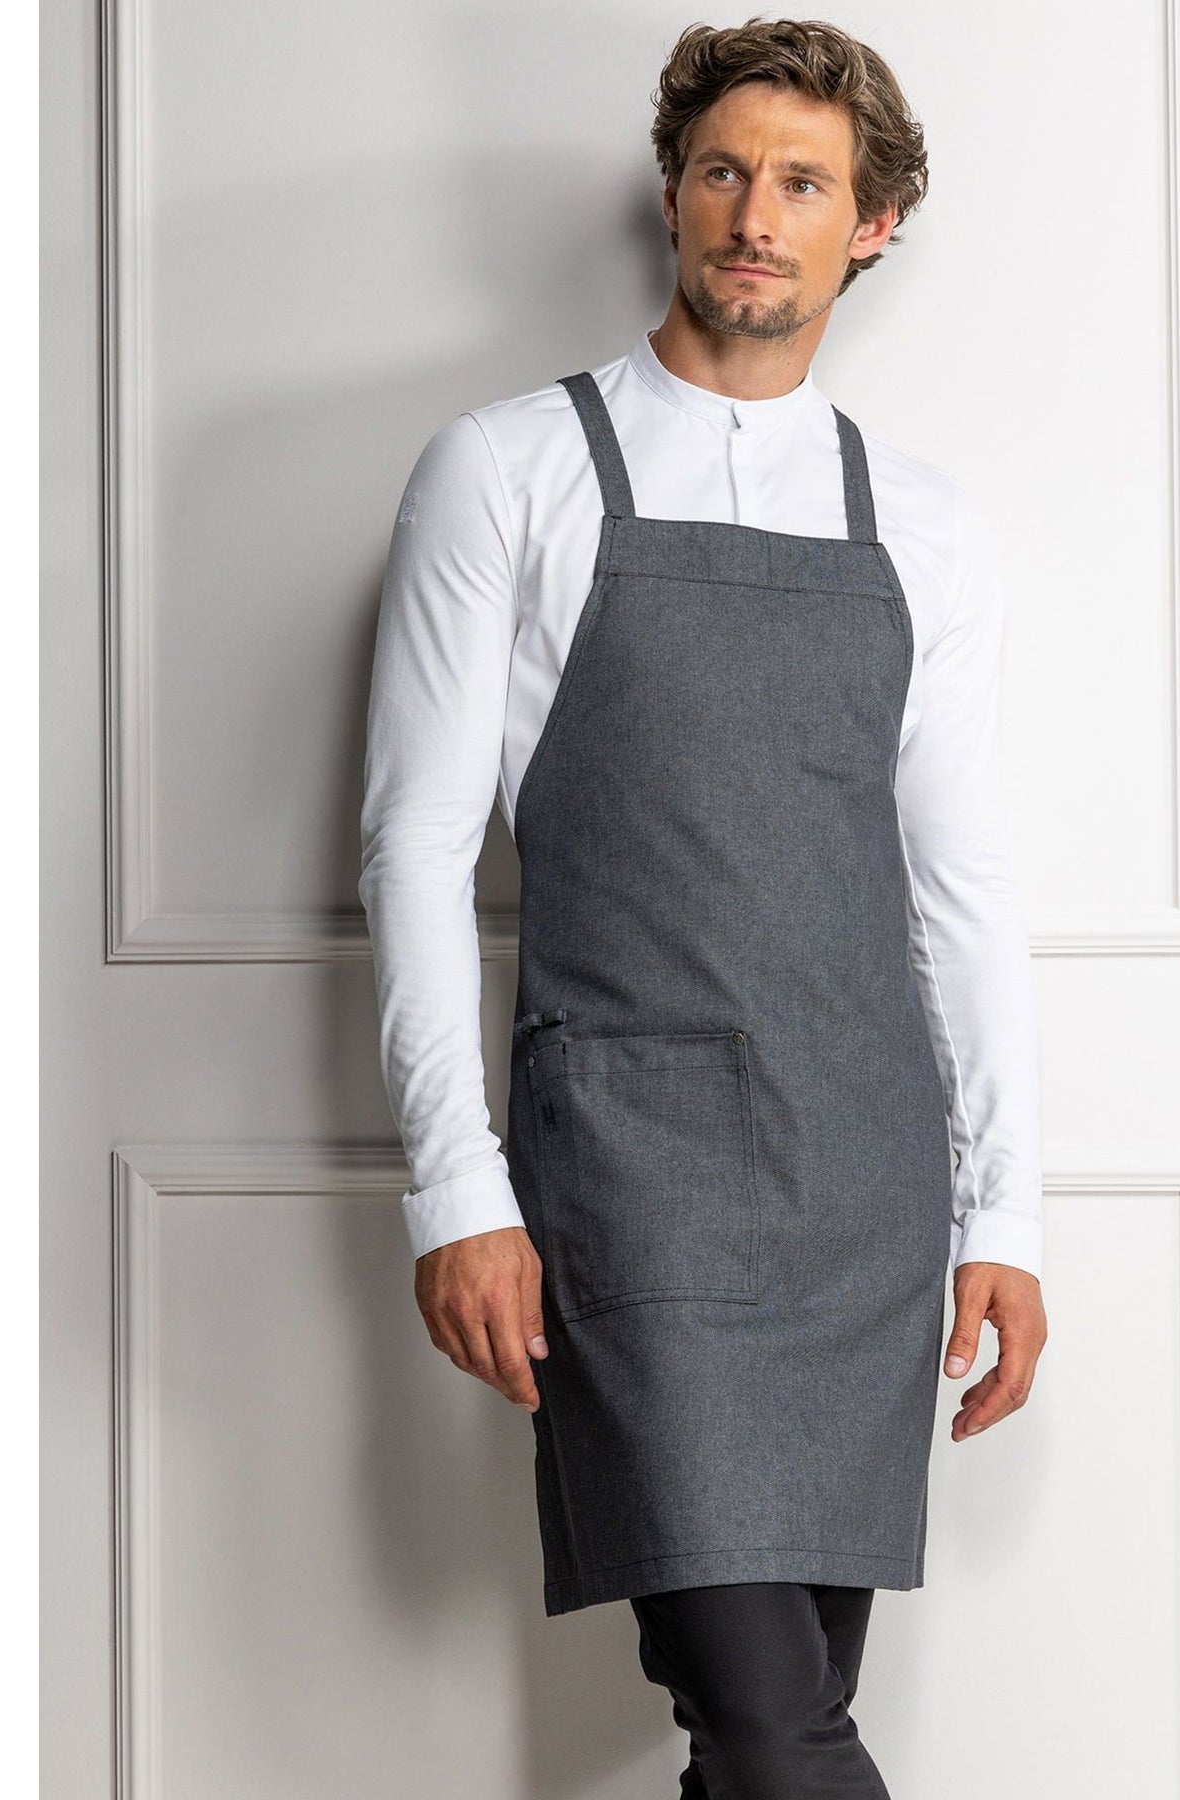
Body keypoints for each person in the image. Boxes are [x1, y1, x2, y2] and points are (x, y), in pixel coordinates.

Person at [359, 17, 1047, 1795]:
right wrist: (458, 1188)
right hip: (632, 1174)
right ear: (673, 195)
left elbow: (960, 889)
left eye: (804, 184)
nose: (757, 214)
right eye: (726, 171)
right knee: (764, 1714)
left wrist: (1007, 1212)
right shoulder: (505, 468)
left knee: (762, 1732)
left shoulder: (926, 526)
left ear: (869, 226)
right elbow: (416, 848)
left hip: (864, 1183)